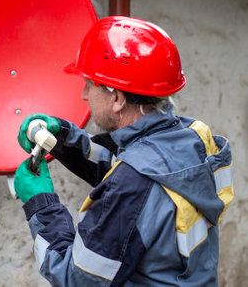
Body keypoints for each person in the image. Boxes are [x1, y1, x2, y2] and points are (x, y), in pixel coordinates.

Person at [14, 16, 234, 286]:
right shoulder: (192, 139)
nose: (84, 94)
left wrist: (41, 203)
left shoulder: (132, 184)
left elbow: (75, 279)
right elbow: (127, 165)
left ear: (116, 99)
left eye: (90, 84)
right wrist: (60, 137)